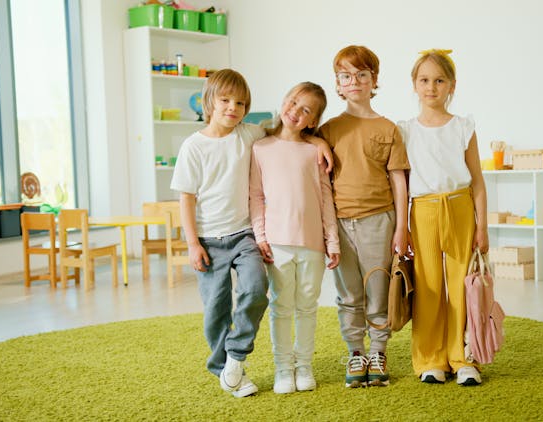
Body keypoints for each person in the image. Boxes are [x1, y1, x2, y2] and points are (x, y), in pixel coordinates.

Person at [171, 69, 332, 398]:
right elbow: (185, 198)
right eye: (225, 100)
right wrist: (191, 243)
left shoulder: (250, 135)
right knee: (216, 307)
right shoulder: (193, 146)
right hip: (208, 240)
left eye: (241, 102)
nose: (233, 107)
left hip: (244, 234)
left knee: (257, 289)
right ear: (209, 102)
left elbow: (287, 134)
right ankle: (225, 368)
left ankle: (237, 354)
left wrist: (316, 139)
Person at [318, 45, 410, 388]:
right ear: (338, 84)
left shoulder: (388, 129)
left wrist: (402, 226)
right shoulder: (327, 130)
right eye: (346, 76)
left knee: (378, 290)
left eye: (361, 74)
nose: (354, 81)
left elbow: (399, 180)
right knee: (348, 295)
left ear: (374, 80)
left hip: (379, 220)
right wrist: (316, 144)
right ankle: (356, 352)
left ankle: (379, 351)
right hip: (340, 224)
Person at [397, 49, 489, 386]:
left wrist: (483, 225)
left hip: (460, 207)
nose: (431, 87)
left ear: (452, 85)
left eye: (439, 80)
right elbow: (401, 184)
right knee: (429, 286)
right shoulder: (404, 130)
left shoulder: (463, 127)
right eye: (424, 80)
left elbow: (477, 180)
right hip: (422, 210)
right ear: (414, 85)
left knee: (462, 284)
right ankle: (429, 359)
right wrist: (402, 227)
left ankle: (463, 357)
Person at [249, 82, 340, 394]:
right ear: (283, 100)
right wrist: (260, 236)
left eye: (306, 110)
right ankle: (283, 368)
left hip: (312, 243)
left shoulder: (314, 150)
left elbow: (326, 198)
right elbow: (256, 197)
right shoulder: (260, 148)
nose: (296, 112)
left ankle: (304, 365)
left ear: (313, 121)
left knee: (307, 306)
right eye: (293, 102)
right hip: (277, 243)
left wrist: (333, 241)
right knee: (281, 307)